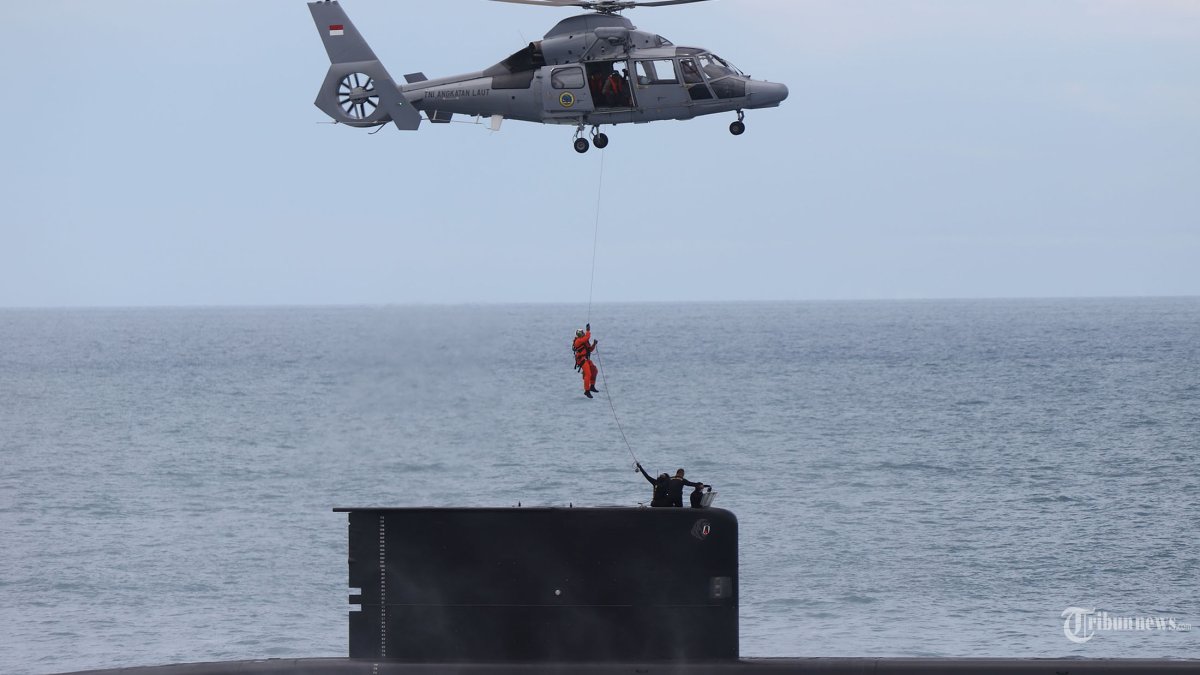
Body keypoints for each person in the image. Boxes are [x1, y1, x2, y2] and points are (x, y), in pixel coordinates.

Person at [572, 323, 599, 398]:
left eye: (582, 333)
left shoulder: (584, 341)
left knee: (594, 370)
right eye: (581, 333)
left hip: (586, 359)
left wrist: (594, 344)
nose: (582, 334)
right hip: (582, 360)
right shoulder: (578, 341)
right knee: (588, 374)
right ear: (578, 335)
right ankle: (587, 391)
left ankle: (592, 386)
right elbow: (587, 337)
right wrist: (588, 330)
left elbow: (590, 350)